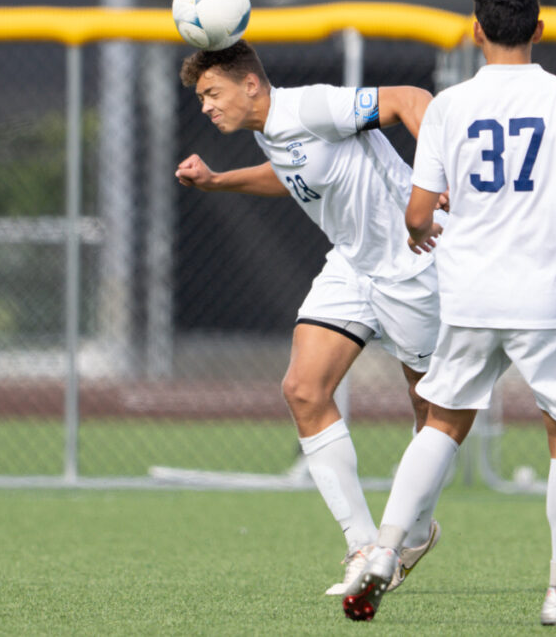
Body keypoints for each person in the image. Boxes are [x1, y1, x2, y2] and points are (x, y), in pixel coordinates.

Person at [342, 0, 556, 626]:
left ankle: (383, 550)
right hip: (547, 299)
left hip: (471, 296)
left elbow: (419, 210)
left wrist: (419, 230)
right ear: (539, 28)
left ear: (475, 30)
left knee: (441, 423)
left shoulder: (449, 106)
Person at [176, 41, 444, 596]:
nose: (205, 106)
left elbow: (411, 100)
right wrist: (220, 181)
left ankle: (416, 530)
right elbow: (290, 172)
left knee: (431, 410)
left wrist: (438, 181)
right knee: (302, 389)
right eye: (201, 97)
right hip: (352, 265)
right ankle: (365, 546)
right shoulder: (267, 129)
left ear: (250, 84)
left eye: (211, 93)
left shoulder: (312, 106)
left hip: (411, 264)